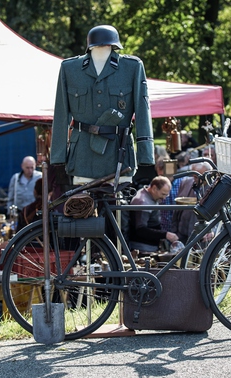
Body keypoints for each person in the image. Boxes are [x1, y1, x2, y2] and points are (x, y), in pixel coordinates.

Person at [50, 25, 155, 183]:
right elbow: (61, 114)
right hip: (82, 157)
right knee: (83, 205)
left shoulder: (131, 68)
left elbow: (143, 113)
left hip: (118, 154)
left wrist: (145, 154)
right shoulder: (70, 69)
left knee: (119, 206)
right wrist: (59, 155)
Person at [129, 175, 179, 253]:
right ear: (154, 188)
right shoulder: (143, 202)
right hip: (143, 247)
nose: (164, 198)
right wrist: (165, 235)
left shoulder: (150, 196)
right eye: (163, 194)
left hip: (150, 245)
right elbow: (141, 230)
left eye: (166, 195)